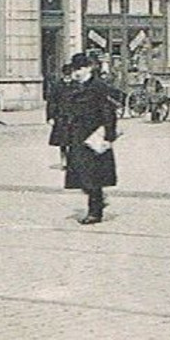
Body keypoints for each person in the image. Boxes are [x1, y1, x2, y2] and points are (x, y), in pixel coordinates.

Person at [58, 52, 119, 225]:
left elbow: (109, 112)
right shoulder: (74, 87)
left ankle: (95, 211)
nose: (76, 72)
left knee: (92, 174)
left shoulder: (98, 87)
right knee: (79, 172)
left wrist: (109, 136)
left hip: (94, 136)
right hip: (77, 136)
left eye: (80, 69)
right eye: (74, 69)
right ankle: (98, 199)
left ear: (89, 68)